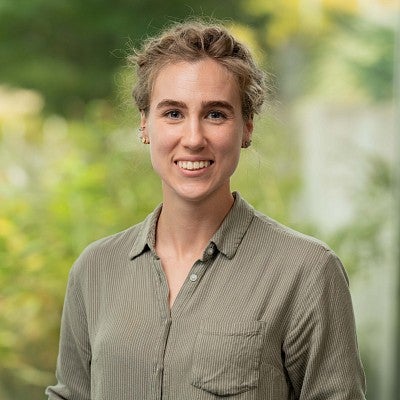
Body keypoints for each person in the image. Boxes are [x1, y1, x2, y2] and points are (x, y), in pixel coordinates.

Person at [46, 20, 366, 400]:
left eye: (216, 114)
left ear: (246, 128)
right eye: (173, 114)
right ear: (145, 124)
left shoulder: (307, 271)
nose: (194, 139)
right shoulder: (94, 268)